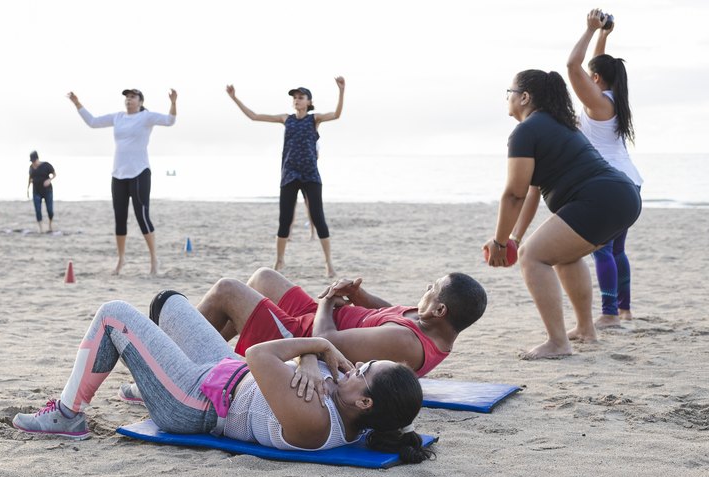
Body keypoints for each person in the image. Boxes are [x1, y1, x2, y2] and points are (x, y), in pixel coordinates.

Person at [11, 293, 432, 464]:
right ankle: (152, 384)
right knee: (168, 302)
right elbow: (286, 364)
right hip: (225, 375)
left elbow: (258, 354)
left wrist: (317, 348)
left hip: (195, 403)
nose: (353, 367)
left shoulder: (315, 423)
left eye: (362, 373)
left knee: (114, 315)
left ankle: (68, 415)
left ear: (365, 403)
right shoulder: (345, 404)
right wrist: (310, 359)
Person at [484, 69, 641, 360]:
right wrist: (514, 236)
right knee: (564, 256)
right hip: (623, 197)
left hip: (600, 198)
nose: (508, 98)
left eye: (510, 92)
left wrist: (500, 242)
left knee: (533, 256)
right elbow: (531, 192)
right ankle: (585, 329)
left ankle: (558, 343)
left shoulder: (526, 131)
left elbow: (513, 194)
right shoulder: (557, 125)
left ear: (525, 97)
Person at [194, 267, 487, 378]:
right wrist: (359, 295)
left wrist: (327, 301)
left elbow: (325, 342)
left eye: (431, 289)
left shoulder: (407, 344)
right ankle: (205, 358)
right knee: (262, 278)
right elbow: (390, 313)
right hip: (321, 318)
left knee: (227, 290)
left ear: (439, 310)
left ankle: (179, 360)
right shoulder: (426, 323)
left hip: (303, 338)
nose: (426, 288)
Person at [567, 9, 643, 329]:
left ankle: (609, 313)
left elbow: (573, 66)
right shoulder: (614, 98)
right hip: (630, 181)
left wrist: (587, 30)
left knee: (601, 250)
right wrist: (603, 36)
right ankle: (623, 310)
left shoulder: (598, 104)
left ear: (596, 80)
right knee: (616, 250)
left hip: (609, 184)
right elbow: (593, 67)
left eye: (591, 76)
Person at [226, 78, 345, 277]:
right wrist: (234, 98)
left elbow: (337, 114)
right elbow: (254, 116)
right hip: (289, 174)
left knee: (318, 218)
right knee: (284, 220)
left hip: (310, 175)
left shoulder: (314, 119)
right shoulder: (285, 118)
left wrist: (341, 91)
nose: (297, 100)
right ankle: (279, 261)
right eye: (295, 98)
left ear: (308, 101)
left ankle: (329, 263)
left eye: (301, 97)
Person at [67, 88, 177, 275]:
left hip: (140, 172)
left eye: (132, 97)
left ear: (140, 101)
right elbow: (93, 122)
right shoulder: (118, 117)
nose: (128, 100)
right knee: (119, 219)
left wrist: (173, 102)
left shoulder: (146, 117)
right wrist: (77, 103)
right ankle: (120, 260)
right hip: (118, 174)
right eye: (126, 97)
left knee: (142, 217)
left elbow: (170, 120)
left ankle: (153, 260)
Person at [27, 151, 56, 233]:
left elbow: (54, 174)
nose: (33, 163)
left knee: (50, 209)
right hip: (36, 191)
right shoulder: (31, 168)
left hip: (47, 191)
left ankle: (50, 224)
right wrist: (28, 189)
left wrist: (49, 180)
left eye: (34, 161)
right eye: (32, 161)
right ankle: (41, 228)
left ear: (37, 159)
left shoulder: (46, 165)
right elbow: (30, 178)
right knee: (38, 210)